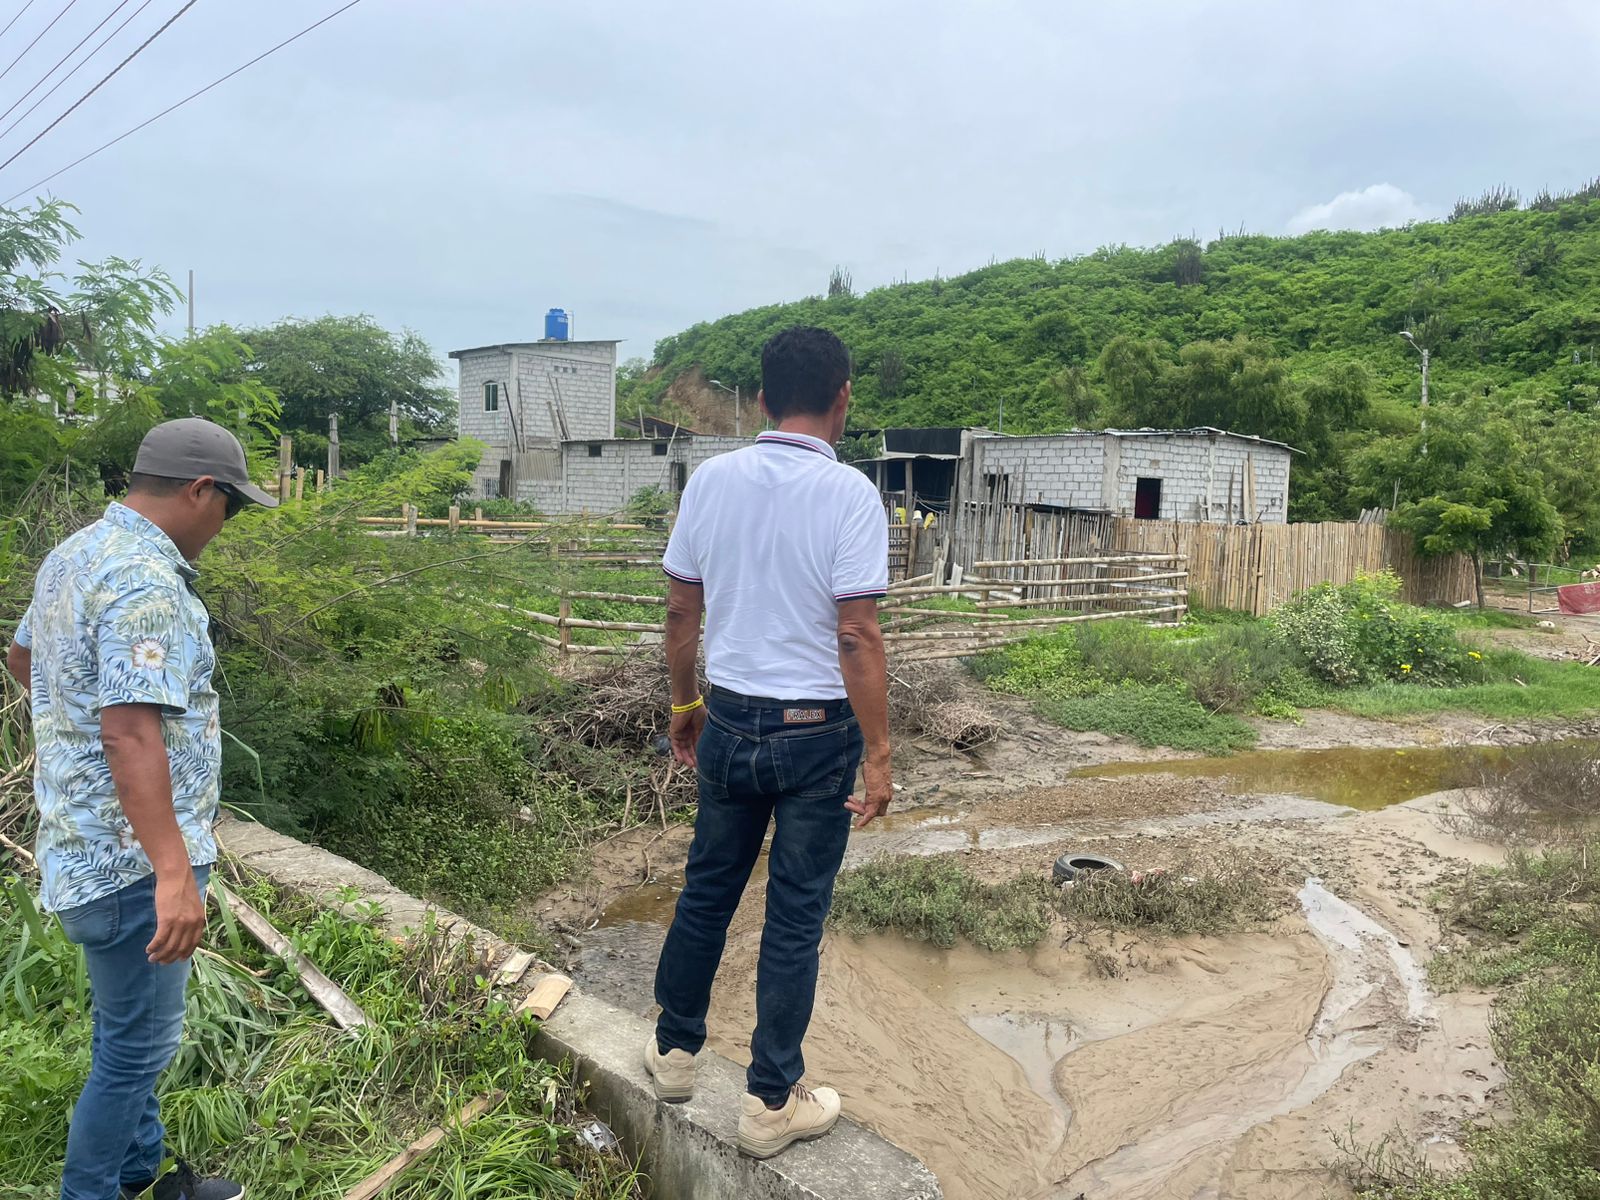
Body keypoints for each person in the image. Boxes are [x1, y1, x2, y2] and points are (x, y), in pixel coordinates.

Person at [5, 419, 278, 1200]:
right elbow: (129, 733)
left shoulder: (76, 554)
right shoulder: (147, 583)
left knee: (125, 1029)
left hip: (80, 847)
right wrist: (171, 873)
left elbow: (24, 657)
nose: (226, 524)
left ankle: (142, 1174)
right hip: (132, 867)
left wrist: (74, 738)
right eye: (231, 506)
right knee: (137, 1052)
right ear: (200, 490)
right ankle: (91, 1191)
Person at [643, 325, 892, 1159]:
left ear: (760, 400)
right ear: (843, 397)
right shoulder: (851, 494)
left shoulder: (712, 481)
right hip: (818, 736)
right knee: (793, 917)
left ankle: (674, 1055)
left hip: (729, 719)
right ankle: (769, 1103)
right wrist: (880, 754)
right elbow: (856, 634)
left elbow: (681, 610)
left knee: (707, 891)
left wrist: (686, 702)